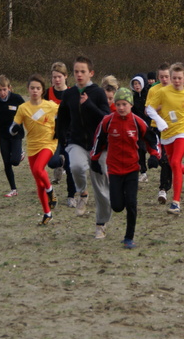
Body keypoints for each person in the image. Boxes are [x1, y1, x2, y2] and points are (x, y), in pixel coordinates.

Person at [91, 88, 160, 249]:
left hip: (131, 169)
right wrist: (94, 159)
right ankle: (117, 200)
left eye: (124, 104)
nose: (121, 107)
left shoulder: (137, 122)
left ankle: (129, 237)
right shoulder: (107, 121)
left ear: (130, 105)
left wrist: (154, 155)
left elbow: (151, 138)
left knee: (131, 203)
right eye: (118, 104)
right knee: (117, 206)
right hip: (114, 169)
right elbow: (98, 141)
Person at [56, 56, 112, 238]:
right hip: (76, 142)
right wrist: (62, 137)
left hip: (98, 145)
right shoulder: (69, 94)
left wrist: (88, 104)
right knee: (76, 166)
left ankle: (101, 224)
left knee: (102, 189)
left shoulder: (98, 93)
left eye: (83, 71)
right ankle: (82, 193)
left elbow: (105, 117)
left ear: (91, 73)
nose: (79, 75)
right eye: (76, 71)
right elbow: (62, 117)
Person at [146, 63, 184, 214]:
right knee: (171, 162)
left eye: (179, 78)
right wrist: (160, 121)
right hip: (167, 132)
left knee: (174, 162)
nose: (176, 81)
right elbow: (149, 108)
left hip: (183, 131)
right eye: (174, 78)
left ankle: (176, 202)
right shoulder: (163, 92)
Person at [10, 74, 59, 225]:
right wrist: (14, 129)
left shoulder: (50, 106)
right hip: (32, 146)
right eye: (32, 88)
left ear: (42, 90)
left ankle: (51, 192)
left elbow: (65, 114)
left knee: (39, 169)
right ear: (28, 89)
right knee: (38, 183)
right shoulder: (23, 108)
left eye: (38, 88)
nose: (35, 91)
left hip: (48, 143)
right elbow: (12, 128)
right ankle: (47, 213)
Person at [43, 62, 78, 208]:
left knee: (71, 168)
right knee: (51, 162)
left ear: (65, 77)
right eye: (54, 77)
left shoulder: (72, 93)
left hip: (70, 135)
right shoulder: (48, 93)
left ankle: (71, 196)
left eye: (59, 77)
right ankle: (59, 164)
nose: (57, 80)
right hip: (53, 135)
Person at [0, 75, 26, 198]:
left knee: (14, 161)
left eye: (4, 89)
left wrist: (21, 126)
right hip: (3, 134)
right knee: (6, 163)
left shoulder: (17, 99)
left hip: (16, 133)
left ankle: (20, 154)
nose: (2, 92)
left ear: (9, 88)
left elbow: (26, 112)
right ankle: (13, 189)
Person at [144, 63, 173, 204]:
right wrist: (161, 107)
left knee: (167, 160)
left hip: (172, 128)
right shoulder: (153, 90)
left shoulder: (176, 89)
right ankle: (165, 186)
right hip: (156, 128)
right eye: (161, 77)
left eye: (167, 76)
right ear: (157, 77)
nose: (164, 79)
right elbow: (147, 110)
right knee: (162, 159)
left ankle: (163, 189)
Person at [130, 73, 150, 183]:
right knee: (140, 149)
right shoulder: (133, 98)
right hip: (138, 126)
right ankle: (143, 172)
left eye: (138, 83)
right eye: (135, 84)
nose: (137, 86)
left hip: (150, 125)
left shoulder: (148, 94)